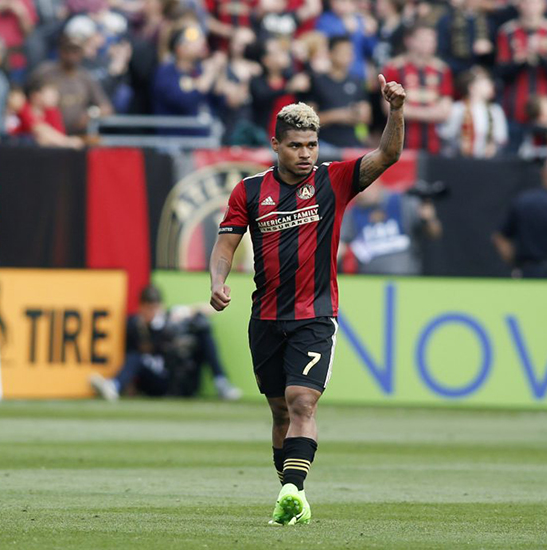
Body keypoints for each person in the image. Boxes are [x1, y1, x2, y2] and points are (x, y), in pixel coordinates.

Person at [208, 77, 406, 525]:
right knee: (279, 411)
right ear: (275, 143)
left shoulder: (333, 180)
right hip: (266, 316)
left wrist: (395, 112)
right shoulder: (250, 191)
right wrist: (218, 281)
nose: (306, 153)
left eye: (312, 145)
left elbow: (388, 155)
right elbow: (225, 245)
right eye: (296, 145)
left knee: (302, 402)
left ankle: (296, 489)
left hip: (314, 315)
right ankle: (290, 495)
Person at [90, 285, 242, 401]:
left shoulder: (170, 317)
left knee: (203, 329)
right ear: (141, 307)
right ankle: (114, 386)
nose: (151, 312)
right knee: (136, 358)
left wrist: (187, 311)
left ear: (160, 306)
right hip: (154, 380)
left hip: (176, 376)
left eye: (154, 307)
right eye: (148, 308)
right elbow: (130, 354)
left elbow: (209, 309)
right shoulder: (134, 325)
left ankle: (221, 382)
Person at [496, 0, 547, 147]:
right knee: (512, 154)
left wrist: (541, 55)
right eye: (527, 3)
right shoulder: (507, 32)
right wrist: (521, 60)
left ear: (543, 6)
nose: (531, 7)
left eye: (535, 3)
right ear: (520, 5)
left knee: (543, 153)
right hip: (514, 109)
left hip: (542, 111)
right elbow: (502, 73)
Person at [381, 24, 453, 155]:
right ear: (409, 41)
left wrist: (407, 110)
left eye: (432, 40)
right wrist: (431, 113)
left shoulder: (442, 70)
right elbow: (387, 107)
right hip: (400, 145)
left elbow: (445, 111)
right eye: (424, 40)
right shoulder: (394, 68)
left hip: (434, 145)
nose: (429, 44)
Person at [339, 183, 441, 275]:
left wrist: (429, 219)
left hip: (406, 279)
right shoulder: (353, 212)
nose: (358, 195)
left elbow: (434, 233)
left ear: (375, 182)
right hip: (369, 281)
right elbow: (340, 246)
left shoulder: (401, 202)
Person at [29, 34, 113, 135]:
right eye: (67, 51)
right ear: (60, 51)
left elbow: (106, 107)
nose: (70, 55)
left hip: (77, 136)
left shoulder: (85, 77)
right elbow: (23, 98)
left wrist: (91, 114)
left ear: (81, 53)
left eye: (75, 51)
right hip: (48, 134)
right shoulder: (44, 72)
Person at [307, 34, 371, 148]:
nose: (349, 55)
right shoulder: (317, 81)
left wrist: (357, 114)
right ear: (330, 54)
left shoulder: (356, 81)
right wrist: (338, 115)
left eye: (351, 51)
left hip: (352, 144)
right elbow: (308, 120)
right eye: (343, 51)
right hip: (325, 144)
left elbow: (366, 116)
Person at [437, 66, 507, 158]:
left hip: (486, 161)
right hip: (459, 160)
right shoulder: (457, 109)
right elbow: (446, 135)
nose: (491, 86)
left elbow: (501, 137)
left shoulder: (495, 111)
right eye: (485, 83)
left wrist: (493, 146)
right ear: (472, 88)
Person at [9, 79, 83, 147]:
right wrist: (66, 141)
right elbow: (38, 128)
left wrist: (52, 139)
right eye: (50, 94)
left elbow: (58, 135)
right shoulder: (24, 108)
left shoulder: (53, 112)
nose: (55, 97)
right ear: (36, 96)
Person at [315, 0, 376, 80]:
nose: (344, 5)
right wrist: (345, 29)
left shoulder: (361, 20)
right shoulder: (325, 20)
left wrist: (370, 35)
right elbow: (325, 43)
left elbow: (371, 50)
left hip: (359, 73)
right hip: (335, 74)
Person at [436, 0, 494, 74]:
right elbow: (442, 54)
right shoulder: (447, 21)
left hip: (482, 71)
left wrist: (488, 49)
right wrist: (468, 70)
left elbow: (493, 60)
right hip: (456, 71)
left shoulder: (488, 22)